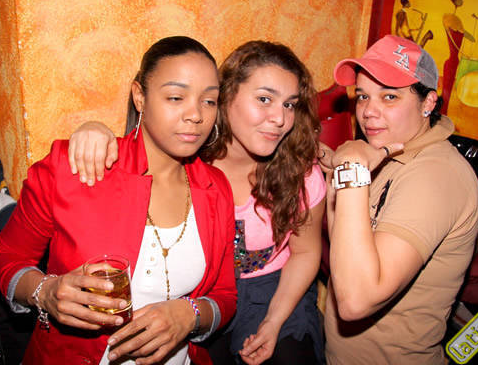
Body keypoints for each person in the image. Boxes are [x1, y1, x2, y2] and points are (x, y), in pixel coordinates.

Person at [68, 41, 327, 364]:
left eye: (290, 105)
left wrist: (273, 322)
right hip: (202, 291)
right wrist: (93, 130)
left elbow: (305, 252)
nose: (280, 118)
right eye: (264, 99)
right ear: (225, 97)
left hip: (277, 291)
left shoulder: (300, 171)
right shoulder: (189, 157)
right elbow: (139, 150)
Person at [0, 36, 238, 365]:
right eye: (176, 97)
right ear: (140, 96)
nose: (196, 114)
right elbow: (5, 257)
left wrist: (189, 315)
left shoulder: (215, 188)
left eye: (209, 101)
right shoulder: (74, 168)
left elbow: (225, 295)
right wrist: (44, 292)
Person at [320, 34, 478, 364]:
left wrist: (350, 168)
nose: (368, 111)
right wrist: (336, 168)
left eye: (390, 96)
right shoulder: (389, 152)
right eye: (363, 96)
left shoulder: (435, 175)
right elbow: (344, 253)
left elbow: (356, 300)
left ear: (428, 103)